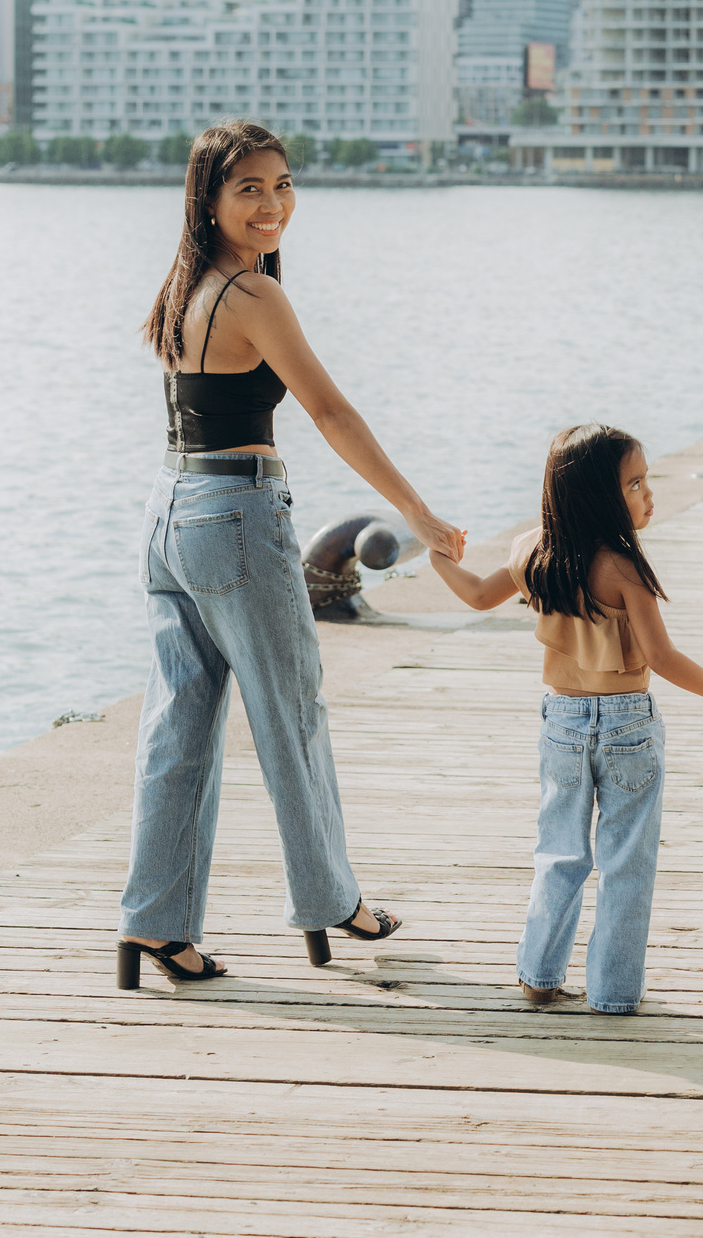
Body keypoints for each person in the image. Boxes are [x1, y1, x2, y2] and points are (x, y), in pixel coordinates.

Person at [119, 119, 466, 989]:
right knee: (292, 716)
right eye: (250, 189)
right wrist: (416, 509)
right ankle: (332, 899)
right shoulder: (254, 295)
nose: (272, 203)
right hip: (236, 511)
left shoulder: (187, 283)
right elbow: (331, 412)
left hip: (170, 511)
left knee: (178, 729)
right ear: (210, 198)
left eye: (282, 184)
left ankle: (156, 925)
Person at [427, 424, 703, 1015]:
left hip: (561, 721)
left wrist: (439, 556)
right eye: (635, 484)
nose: (647, 494)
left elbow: (476, 595)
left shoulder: (532, 548)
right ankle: (613, 993)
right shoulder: (624, 569)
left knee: (560, 852)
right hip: (627, 726)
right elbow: (661, 658)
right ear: (597, 495)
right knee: (627, 862)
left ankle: (538, 975)